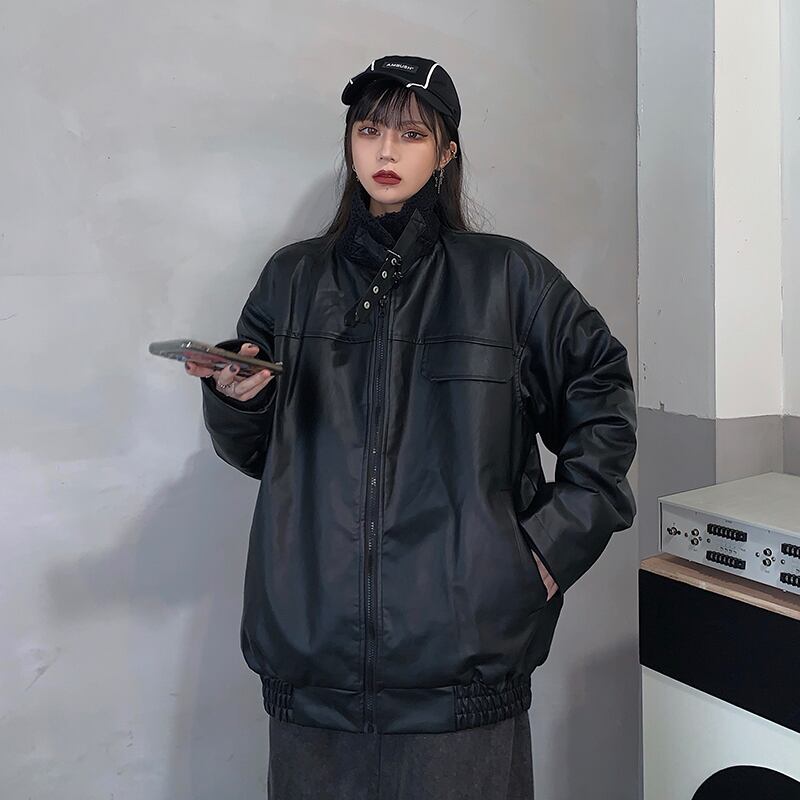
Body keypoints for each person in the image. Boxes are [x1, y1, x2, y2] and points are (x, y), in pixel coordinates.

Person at [184, 54, 637, 799]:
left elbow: (603, 395)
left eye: (412, 134)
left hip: (462, 675)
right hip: (312, 669)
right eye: (368, 130)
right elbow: (256, 452)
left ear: (447, 151)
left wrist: (545, 550)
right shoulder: (291, 280)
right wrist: (238, 398)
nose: (386, 151)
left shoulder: (507, 278)